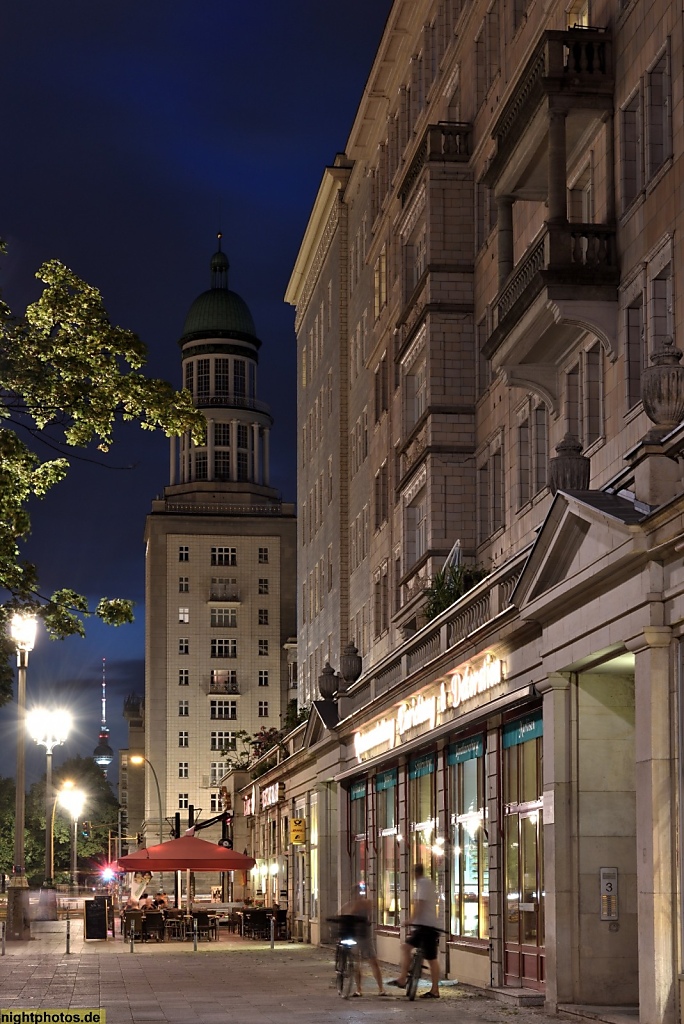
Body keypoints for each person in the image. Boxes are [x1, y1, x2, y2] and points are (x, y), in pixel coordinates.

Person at [388, 864, 440, 998]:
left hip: (426, 926)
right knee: (420, 953)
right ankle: (405, 978)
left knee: (429, 957)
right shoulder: (428, 883)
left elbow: (420, 905)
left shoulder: (422, 883)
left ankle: (432, 989)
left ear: (414, 873)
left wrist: (410, 920)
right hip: (426, 926)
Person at [341, 885, 387, 997]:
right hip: (355, 936)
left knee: (373, 962)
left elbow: (369, 916)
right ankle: (359, 989)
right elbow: (342, 914)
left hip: (365, 936)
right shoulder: (349, 905)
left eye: (361, 893)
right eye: (358, 893)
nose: (360, 895)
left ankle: (381, 989)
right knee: (357, 963)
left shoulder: (367, 903)